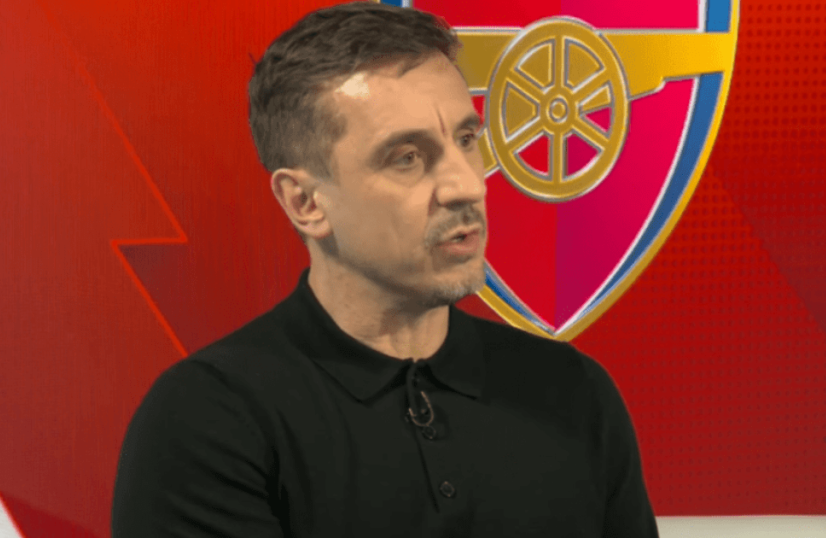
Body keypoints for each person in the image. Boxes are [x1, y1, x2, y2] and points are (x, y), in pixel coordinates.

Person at [111, 2, 658, 537]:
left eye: (467, 140)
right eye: (407, 158)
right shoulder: (209, 420)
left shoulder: (573, 392)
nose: (468, 185)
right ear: (305, 202)